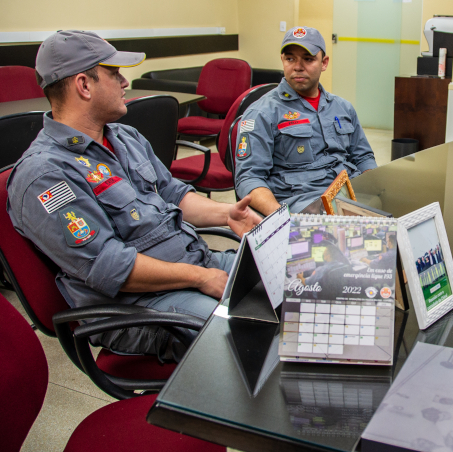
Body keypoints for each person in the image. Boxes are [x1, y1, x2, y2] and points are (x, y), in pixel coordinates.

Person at [6, 30, 262, 360]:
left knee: (286, 276)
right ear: (84, 85)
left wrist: (226, 215)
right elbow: (109, 266)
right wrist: (200, 277)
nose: (125, 82)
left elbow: (173, 192)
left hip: (192, 263)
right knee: (249, 333)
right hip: (134, 307)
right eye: (114, 74)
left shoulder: (124, 136)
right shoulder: (44, 174)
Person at [235, 26, 377, 215]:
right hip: (301, 204)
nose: (298, 67)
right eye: (290, 58)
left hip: (347, 194)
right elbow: (249, 178)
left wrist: (376, 187)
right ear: (282, 60)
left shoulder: (342, 108)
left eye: (308, 59)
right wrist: (284, 220)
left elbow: (363, 157)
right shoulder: (262, 113)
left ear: (324, 63)